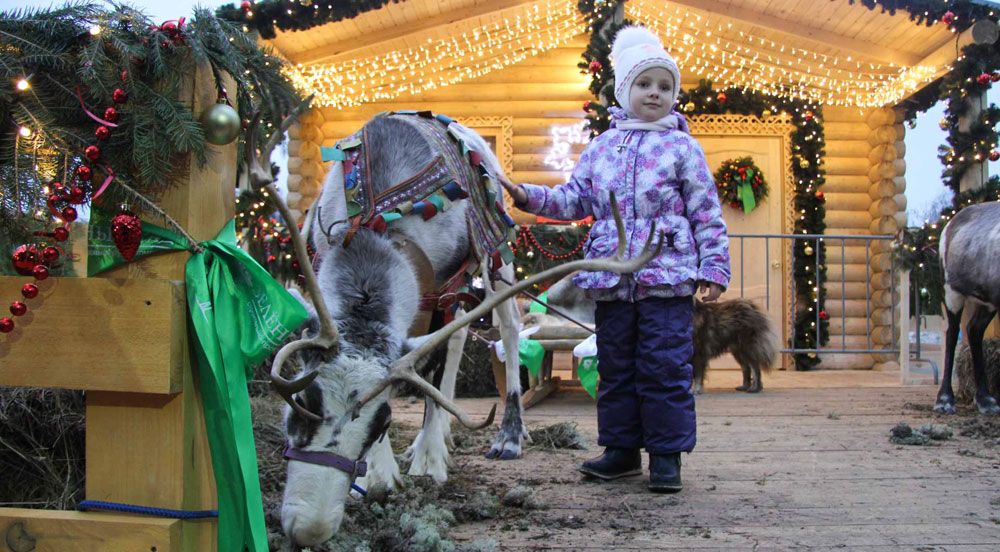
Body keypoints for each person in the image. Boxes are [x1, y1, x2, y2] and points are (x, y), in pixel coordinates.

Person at [500, 26, 730, 493]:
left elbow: (706, 212)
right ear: (624, 91)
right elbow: (574, 199)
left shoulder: (683, 148)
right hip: (611, 278)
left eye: (665, 87)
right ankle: (622, 451)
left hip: (666, 276)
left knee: (664, 365)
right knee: (616, 365)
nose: (655, 94)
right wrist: (528, 196)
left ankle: (666, 456)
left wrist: (714, 267)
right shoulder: (602, 148)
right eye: (644, 85)